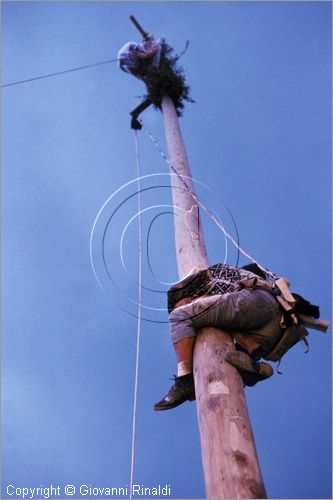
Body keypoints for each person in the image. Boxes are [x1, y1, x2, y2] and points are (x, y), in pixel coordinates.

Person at [154, 262, 327, 411]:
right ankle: (256, 368)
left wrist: (182, 304)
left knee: (181, 316)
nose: (185, 304)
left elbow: (177, 294)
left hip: (257, 302)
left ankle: (185, 380)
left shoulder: (209, 276)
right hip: (275, 330)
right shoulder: (241, 279)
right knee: (228, 359)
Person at [117, 38, 161, 129]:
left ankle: (135, 113)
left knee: (154, 85)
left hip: (132, 58)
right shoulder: (135, 58)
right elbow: (138, 71)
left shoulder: (146, 52)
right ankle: (135, 113)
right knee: (154, 83)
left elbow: (151, 52)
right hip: (130, 58)